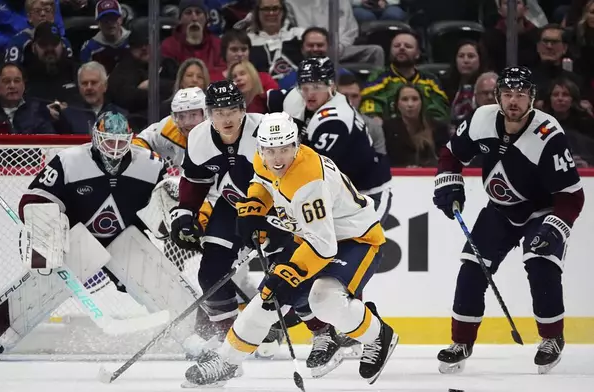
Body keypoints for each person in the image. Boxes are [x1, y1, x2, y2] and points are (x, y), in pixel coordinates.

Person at [183, 112, 398, 387]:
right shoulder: (263, 159)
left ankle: (379, 335)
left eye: (284, 149)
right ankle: (227, 360)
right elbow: (261, 182)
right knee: (267, 298)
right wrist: (253, 208)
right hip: (311, 236)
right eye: (270, 150)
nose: (277, 158)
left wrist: (290, 273)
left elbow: (323, 245)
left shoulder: (309, 182)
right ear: (260, 147)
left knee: (325, 300)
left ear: (296, 145)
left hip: (355, 240)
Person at [0, 111, 171, 359]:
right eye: (109, 141)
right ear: (96, 139)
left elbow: (164, 200)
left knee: (161, 283)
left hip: (125, 238)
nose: (115, 149)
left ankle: (195, 336)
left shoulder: (150, 164)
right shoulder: (69, 161)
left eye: (122, 142)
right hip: (77, 240)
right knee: (41, 285)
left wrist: (171, 217)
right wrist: (47, 232)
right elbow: (34, 199)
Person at [433, 66, 585, 375]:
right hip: (499, 210)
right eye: (507, 94)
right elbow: (451, 155)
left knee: (541, 265)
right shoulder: (481, 119)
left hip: (540, 212)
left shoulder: (548, 134)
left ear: (532, 98)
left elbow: (572, 196)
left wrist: (554, 229)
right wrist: (449, 182)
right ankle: (461, 342)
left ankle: (551, 338)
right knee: (472, 269)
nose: (513, 101)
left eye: (520, 95)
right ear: (497, 96)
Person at [169, 81, 265, 340]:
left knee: (287, 276)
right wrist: (185, 212)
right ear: (209, 114)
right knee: (210, 274)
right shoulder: (199, 138)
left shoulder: (265, 130)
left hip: (277, 209)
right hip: (233, 205)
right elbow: (195, 180)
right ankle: (229, 343)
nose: (226, 118)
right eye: (219, 112)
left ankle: (321, 331)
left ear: (243, 110)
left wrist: (270, 219)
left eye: (232, 110)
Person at [269, 57, 392, 225]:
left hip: (367, 194)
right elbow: (267, 98)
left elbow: (314, 170)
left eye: (316, 87)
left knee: (362, 245)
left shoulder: (336, 120)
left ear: (331, 86)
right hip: (336, 192)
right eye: (304, 87)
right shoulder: (299, 98)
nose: (309, 93)